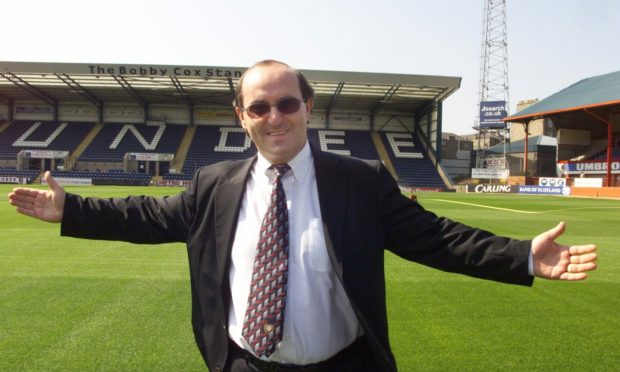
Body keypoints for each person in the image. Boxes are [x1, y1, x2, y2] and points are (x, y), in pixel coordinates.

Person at [8, 60, 597, 372]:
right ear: (241, 115)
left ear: (308, 108)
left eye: (287, 103)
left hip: (343, 364)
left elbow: (433, 238)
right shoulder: (213, 183)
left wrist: (521, 256)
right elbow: (146, 217)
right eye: (259, 107)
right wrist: (71, 209)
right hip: (241, 363)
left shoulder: (359, 182)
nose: (275, 117)